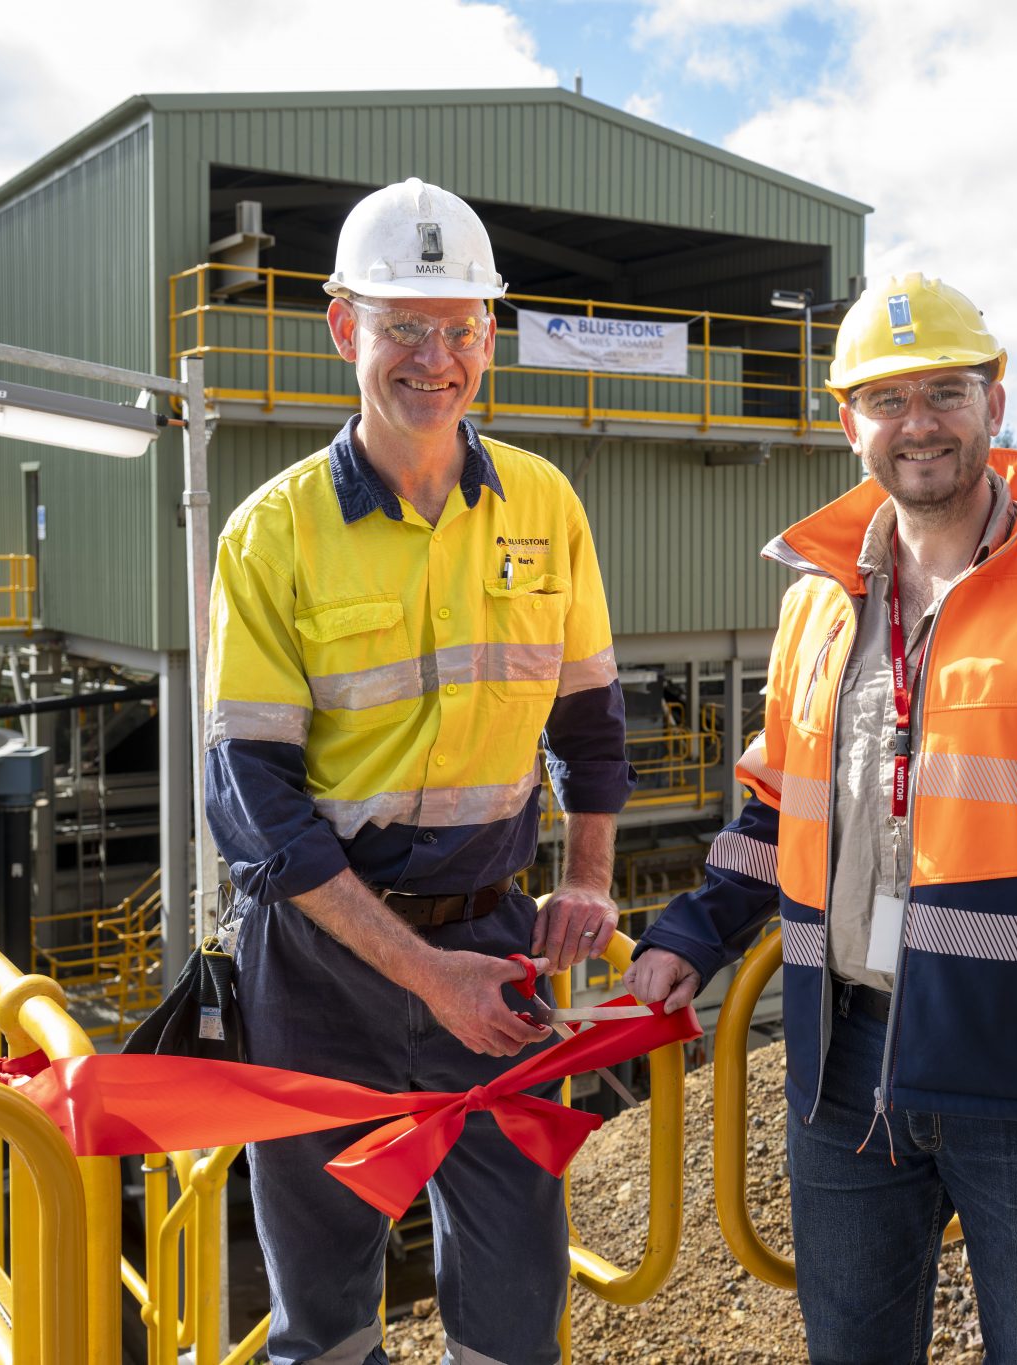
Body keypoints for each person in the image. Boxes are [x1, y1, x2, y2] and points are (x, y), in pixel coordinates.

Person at [625, 274, 1017, 1363]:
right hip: (841, 1061)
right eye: (888, 398)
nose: (919, 424)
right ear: (846, 420)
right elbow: (781, 803)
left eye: (946, 392)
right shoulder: (816, 603)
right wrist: (694, 931)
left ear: (994, 401)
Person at [202, 178, 632, 1365]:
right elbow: (255, 804)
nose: (433, 359)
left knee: (514, 1290)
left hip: (493, 945)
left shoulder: (544, 503)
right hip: (320, 962)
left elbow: (589, 720)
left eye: (457, 328)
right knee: (326, 1307)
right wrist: (422, 973)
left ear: (488, 337)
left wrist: (589, 877)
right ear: (344, 328)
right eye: (403, 326)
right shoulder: (273, 532)